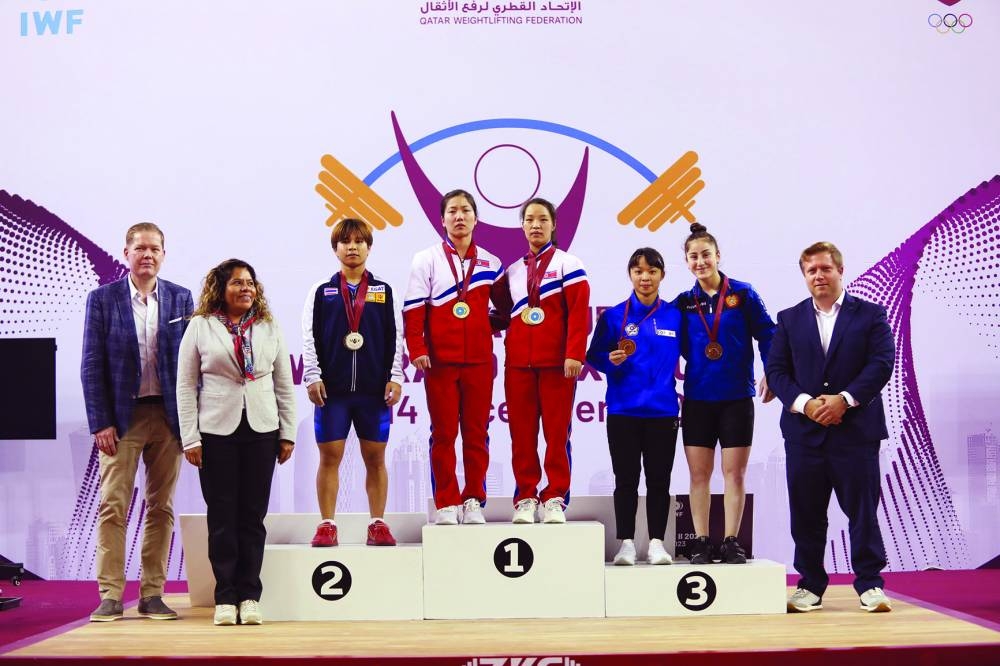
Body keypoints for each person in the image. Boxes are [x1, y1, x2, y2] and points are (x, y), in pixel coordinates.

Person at [765, 242, 894, 613]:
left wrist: (846, 399)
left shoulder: (870, 314)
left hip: (856, 432)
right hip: (804, 435)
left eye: (825, 269)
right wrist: (806, 405)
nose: (819, 276)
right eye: (811, 271)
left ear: (840, 270)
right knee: (806, 514)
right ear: (804, 277)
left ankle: (870, 585)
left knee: (863, 512)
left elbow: (882, 363)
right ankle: (809, 586)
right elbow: (777, 371)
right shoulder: (789, 319)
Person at [81, 222, 193, 622]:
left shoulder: (182, 299)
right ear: (126, 253)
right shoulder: (103, 300)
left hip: (167, 417)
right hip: (121, 420)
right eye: (140, 248)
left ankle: (152, 594)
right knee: (113, 505)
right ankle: (110, 594)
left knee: (160, 507)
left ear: (164, 254)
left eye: (155, 249)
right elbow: (92, 365)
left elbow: (190, 364)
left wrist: (190, 421)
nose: (148, 255)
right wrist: (100, 423)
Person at [177, 259, 296, 626]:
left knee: (252, 517)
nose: (246, 288)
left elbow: (283, 383)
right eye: (237, 283)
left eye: (250, 283)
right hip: (215, 433)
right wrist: (190, 437)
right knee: (222, 517)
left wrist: (287, 432)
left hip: (261, 430)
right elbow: (185, 384)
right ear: (220, 288)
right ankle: (225, 597)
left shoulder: (268, 326)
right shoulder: (200, 326)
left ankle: (250, 596)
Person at [676, 222, 776, 564]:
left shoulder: (743, 294)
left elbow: (768, 334)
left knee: (735, 474)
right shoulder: (684, 303)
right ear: (687, 263)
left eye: (706, 254)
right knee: (699, 475)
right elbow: (664, 345)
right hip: (698, 399)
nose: (700, 261)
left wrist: (772, 373)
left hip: (736, 397)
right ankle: (702, 540)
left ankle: (732, 540)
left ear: (718, 256)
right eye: (693, 257)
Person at [403, 189, 503, 525]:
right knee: (444, 433)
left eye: (465, 211)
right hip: (440, 363)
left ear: (476, 218)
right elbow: (413, 309)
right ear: (442, 219)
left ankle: (474, 499)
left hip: (478, 361)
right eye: (452, 212)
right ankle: (446, 501)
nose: (459, 217)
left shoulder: (492, 263)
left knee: (476, 433)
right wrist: (417, 349)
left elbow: (506, 309)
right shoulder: (425, 259)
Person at [302, 218, 404, 548]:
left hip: (374, 392)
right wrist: (313, 375)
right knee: (329, 457)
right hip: (334, 393)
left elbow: (396, 337)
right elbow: (309, 337)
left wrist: (395, 377)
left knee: (376, 458)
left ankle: (377, 523)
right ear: (335, 249)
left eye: (360, 241)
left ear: (369, 247)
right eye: (345, 242)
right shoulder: (322, 291)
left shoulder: (384, 291)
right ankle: (327, 525)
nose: (352, 247)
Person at [493, 198, 590, 524]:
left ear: (553, 225)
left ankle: (555, 498)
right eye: (529, 220)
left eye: (542, 220)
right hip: (518, 363)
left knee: (556, 434)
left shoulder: (569, 264)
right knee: (521, 435)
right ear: (522, 226)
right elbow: (503, 314)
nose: (535, 225)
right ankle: (525, 497)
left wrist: (574, 354)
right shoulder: (513, 271)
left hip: (556, 365)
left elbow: (579, 313)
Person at [586, 248, 680, 563]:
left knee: (659, 480)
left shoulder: (675, 315)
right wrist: (609, 361)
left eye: (652, 271)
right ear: (630, 275)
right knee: (625, 479)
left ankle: (656, 543)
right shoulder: (613, 316)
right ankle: (625, 541)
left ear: (662, 276)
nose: (645, 277)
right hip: (623, 411)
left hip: (663, 412)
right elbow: (593, 355)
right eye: (638, 271)